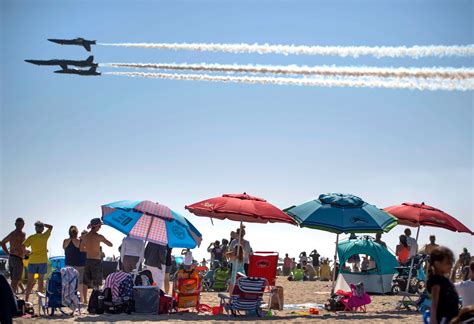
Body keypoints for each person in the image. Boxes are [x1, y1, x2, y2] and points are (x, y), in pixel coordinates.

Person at [427, 246, 459, 324]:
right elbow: (434, 302)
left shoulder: (444, 279)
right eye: (448, 263)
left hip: (451, 317)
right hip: (443, 318)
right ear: (437, 263)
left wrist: (454, 269)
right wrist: (433, 320)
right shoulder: (437, 280)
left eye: (451, 262)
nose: (450, 265)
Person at [23, 221, 53, 302]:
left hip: (32, 261)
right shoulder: (44, 236)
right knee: (40, 281)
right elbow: (51, 226)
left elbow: (23, 246)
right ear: (42, 229)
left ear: (35, 228)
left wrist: (26, 252)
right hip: (42, 261)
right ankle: (40, 301)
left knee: (30, 281)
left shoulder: (31, 237)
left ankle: (26, 299)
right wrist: (44, 224)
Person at [80, 218, 112, 292]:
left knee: (86, 282)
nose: (100, 228)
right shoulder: (99, 236)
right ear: (96, 226)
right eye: (99, 226)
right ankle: (96, 299)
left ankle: (85, 300)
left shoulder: (85, 236)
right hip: (96, 261)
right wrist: (97, 251)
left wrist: (90, 250)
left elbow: (81, 249)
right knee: (96, 283)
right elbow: (110, 244)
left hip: (88, 260)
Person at [1, 217, 26, 294]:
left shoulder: (12, 234)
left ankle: (12, 295)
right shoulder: (22, 234)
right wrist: (25, 253)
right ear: (23, 225)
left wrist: (8, 252)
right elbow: (23, 246)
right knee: (15, 281)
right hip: (17, 258)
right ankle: (12, 297)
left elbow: (2, 242)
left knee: (14, 280)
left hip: (11, 258)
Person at [63, 225, 87, 304]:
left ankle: (69, 299)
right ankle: (80, 300)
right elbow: (85, 249)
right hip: (80, 264)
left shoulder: (65, 241)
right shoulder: (80, 241)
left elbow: (64, 248)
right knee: (80, 283)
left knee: (69, 282)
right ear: (77, 233)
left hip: (68, 264)